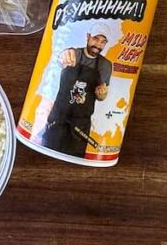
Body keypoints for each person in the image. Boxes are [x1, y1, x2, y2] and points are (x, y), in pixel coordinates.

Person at [40, 23, 113, 157]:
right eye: (96, 39)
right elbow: (60, 60)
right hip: (57, 120)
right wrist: (63, 55)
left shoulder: (105, 65)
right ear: (88, 37)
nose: (98, 45)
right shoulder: (73, 53)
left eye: (103, 42)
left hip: (80, 127)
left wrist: (101, 94)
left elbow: (102, 96)